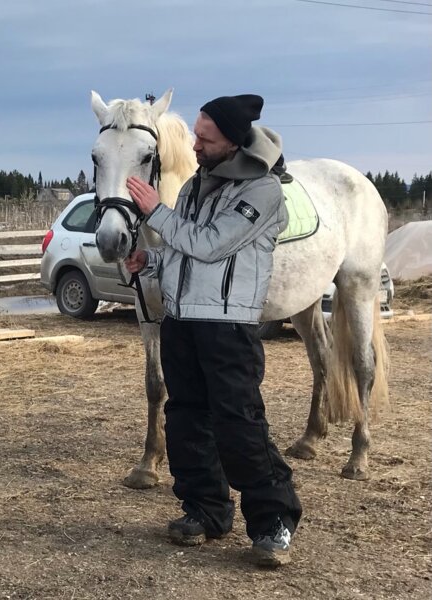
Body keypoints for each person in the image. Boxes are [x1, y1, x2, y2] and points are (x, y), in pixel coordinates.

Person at [123, 94, 301, 568]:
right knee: (186, 420)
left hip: (228, 326)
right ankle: (205, 510)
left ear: (233, 141)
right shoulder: (196, 185)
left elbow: (211, 244)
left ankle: (273, 521)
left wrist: (155, 211)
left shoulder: (262, 191)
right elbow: (183, 250)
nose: (195, 146)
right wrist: (151, 259)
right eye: (196, 137)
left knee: (239, 424)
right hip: (182, 320)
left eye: (206, 139)